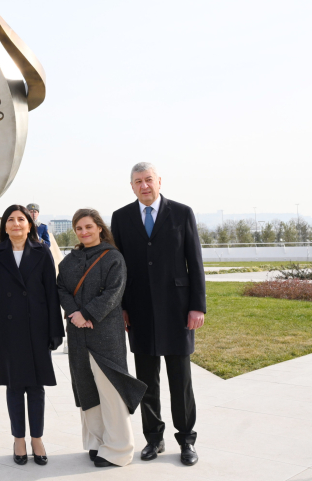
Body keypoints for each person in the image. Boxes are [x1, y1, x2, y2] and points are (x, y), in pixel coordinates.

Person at [111, 163, 206, 466]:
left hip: (178, 310)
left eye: (149, 180)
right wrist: (122, 307)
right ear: (132, 186)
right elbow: (119, 268)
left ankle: (186, 440)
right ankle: (154, 438)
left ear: (159, 182)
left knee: (181, 380)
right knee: (146, 380)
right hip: (139, 312)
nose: (144, 186)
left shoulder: (182, 213)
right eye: (138, 181)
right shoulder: (121, 217)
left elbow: (195, 262)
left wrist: (197, 305)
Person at [57, 208, 147, 468]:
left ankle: (119, 449)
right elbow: (61, 287)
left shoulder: (113, 257)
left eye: (88, 226)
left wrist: (86, 313)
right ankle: (97, 443)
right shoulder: (70, 260)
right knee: (87, 388)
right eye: (79, 228)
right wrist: (73, 312)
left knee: (111, 390)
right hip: (77, 332)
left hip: (105, 333)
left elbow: (114, 292)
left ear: (99, 227)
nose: (84, 232)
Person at [0, 204, 63, 466]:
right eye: (11, 220)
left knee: (36, 387)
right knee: (14, 386)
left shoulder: (42, 252)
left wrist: (55, 330)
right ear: (5, 226)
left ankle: (36, 438)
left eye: (21, 219)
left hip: (37, 328)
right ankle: (19, 439)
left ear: (30, 225)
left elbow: (52, 292)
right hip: (7, 330)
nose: (16, 224)